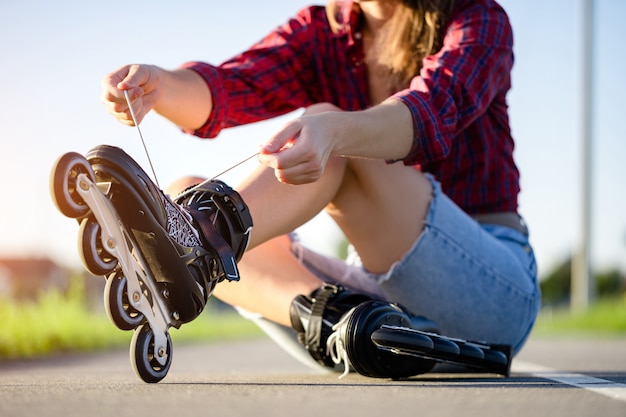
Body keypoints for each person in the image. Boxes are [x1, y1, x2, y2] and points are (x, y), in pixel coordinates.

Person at [100, 0, 541, 377]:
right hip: (376, 309)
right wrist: (160, 86)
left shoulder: (478, 19)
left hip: (491, 294)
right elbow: (232, 87)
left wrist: (335, 129)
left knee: (334, 131)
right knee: (183, 194)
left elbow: (431, 113)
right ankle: (327, 320)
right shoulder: (324, 31)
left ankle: (201, 244)